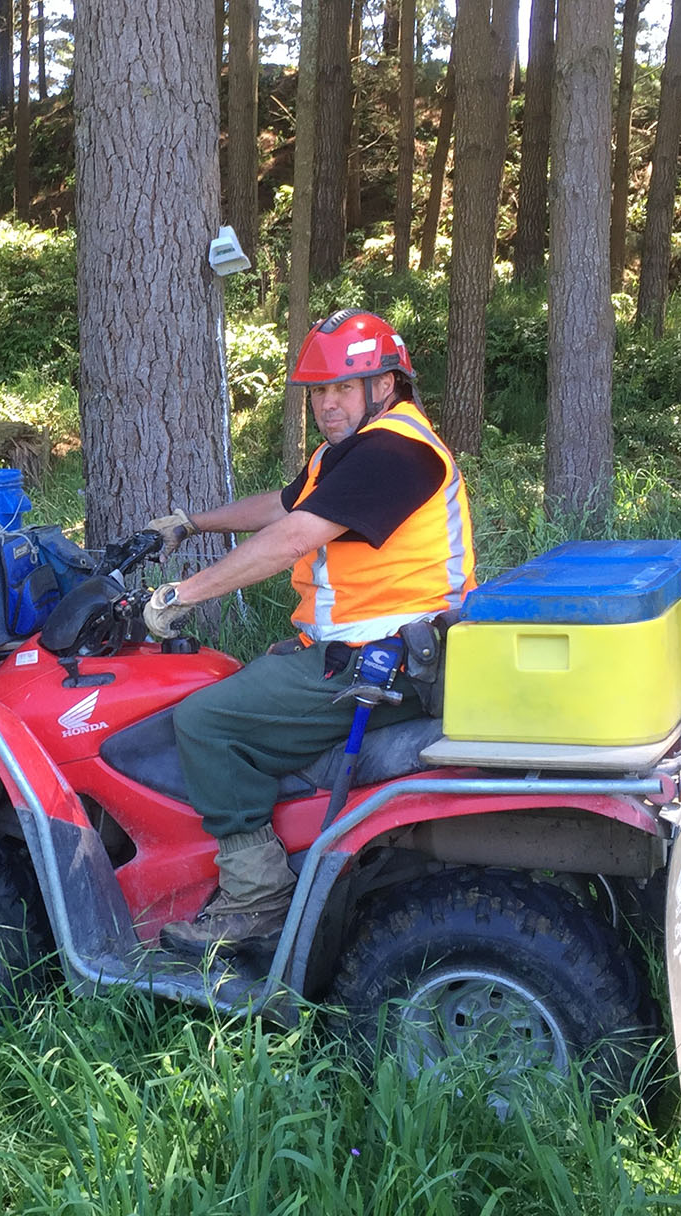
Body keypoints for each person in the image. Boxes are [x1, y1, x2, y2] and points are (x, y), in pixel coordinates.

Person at [138, 310, 475, 954]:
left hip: (389, 664)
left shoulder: (397, 451)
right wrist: (190, 523)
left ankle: (255, 895)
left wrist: (179, 596)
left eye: (342, 389)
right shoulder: (349, 452)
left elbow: (293, 535)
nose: (326, 405)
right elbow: (286, 504)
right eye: (318, 392)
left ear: (386, 386)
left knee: (206, 720)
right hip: (362, 651)